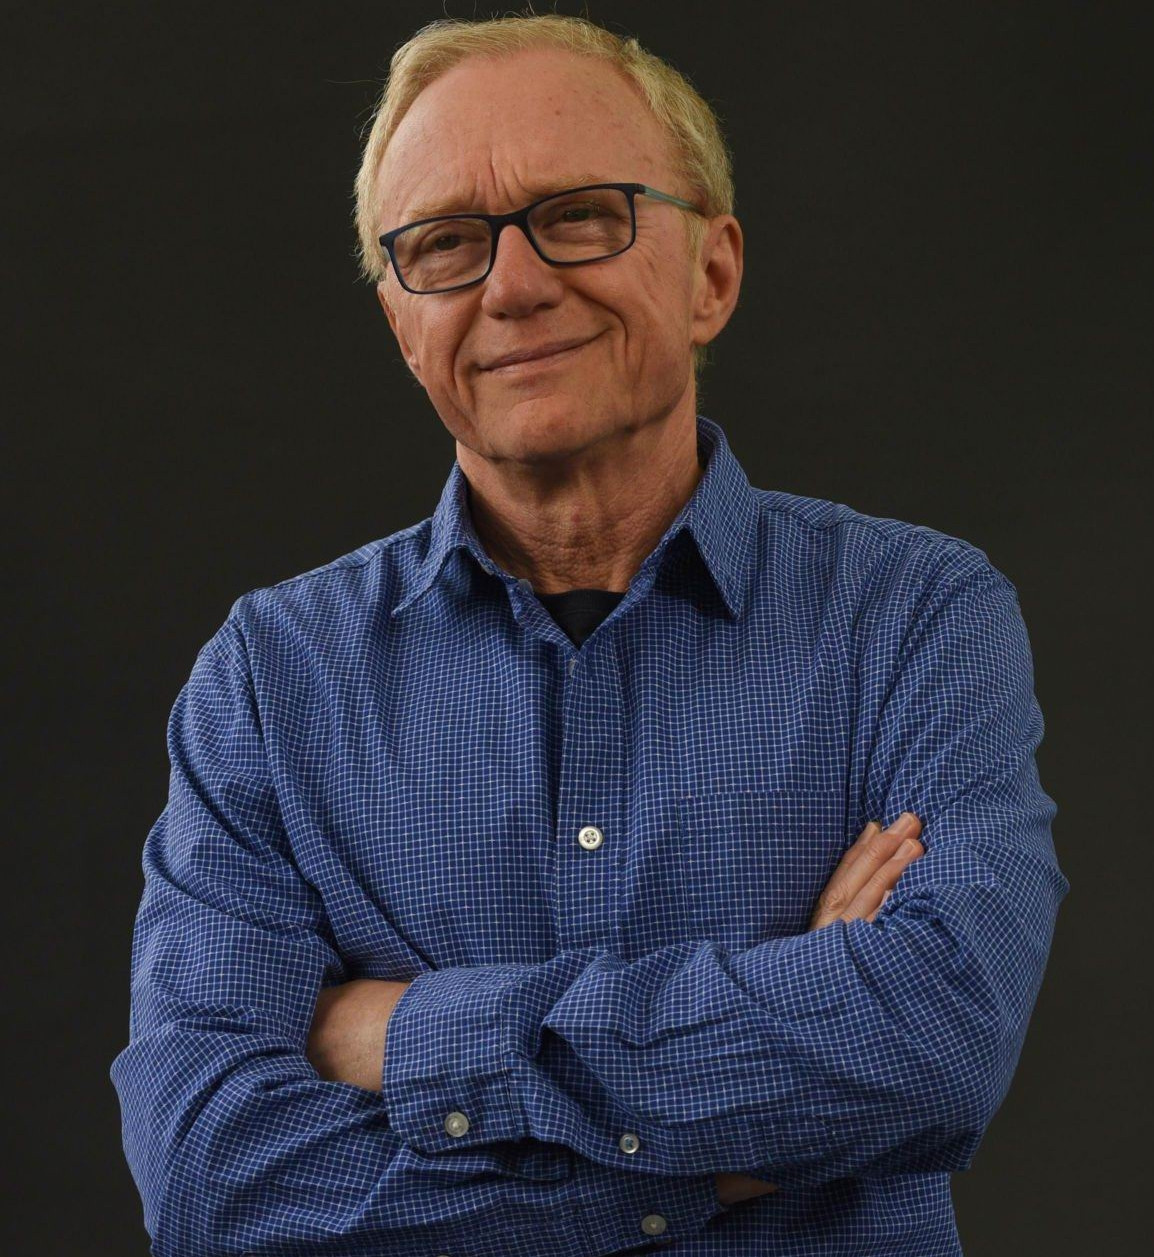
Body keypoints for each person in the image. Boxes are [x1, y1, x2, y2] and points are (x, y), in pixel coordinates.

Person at [108, 13, 1066, 1255]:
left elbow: (933, 1044)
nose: (512, 287)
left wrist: (403, 1035)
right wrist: (721, 1161)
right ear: (403, 325)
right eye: (445, 244)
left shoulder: (915, 616)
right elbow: (211, 1179)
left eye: (578, 216)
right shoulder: (269, 681)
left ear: (712, 274)